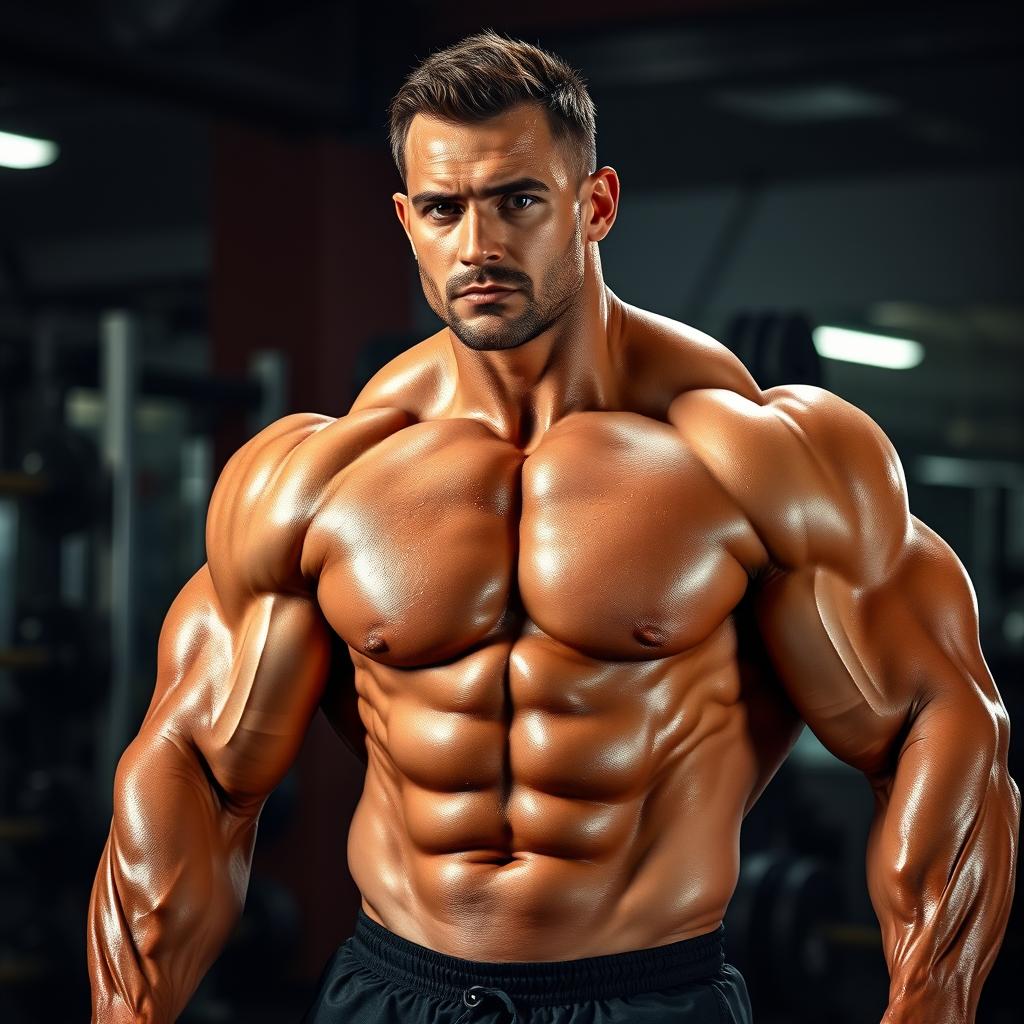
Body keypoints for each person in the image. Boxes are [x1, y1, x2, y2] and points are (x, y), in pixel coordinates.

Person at [87, 29, 1019, 1024]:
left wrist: (930, 1001)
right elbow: (195, 766)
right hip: (391, 991)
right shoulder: (319, 475)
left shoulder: (755, 456)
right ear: (406, 220)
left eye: (517, 200)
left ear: (595, 204)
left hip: (645, 996)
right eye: (443, 209)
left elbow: (937, 721)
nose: (477, 244)